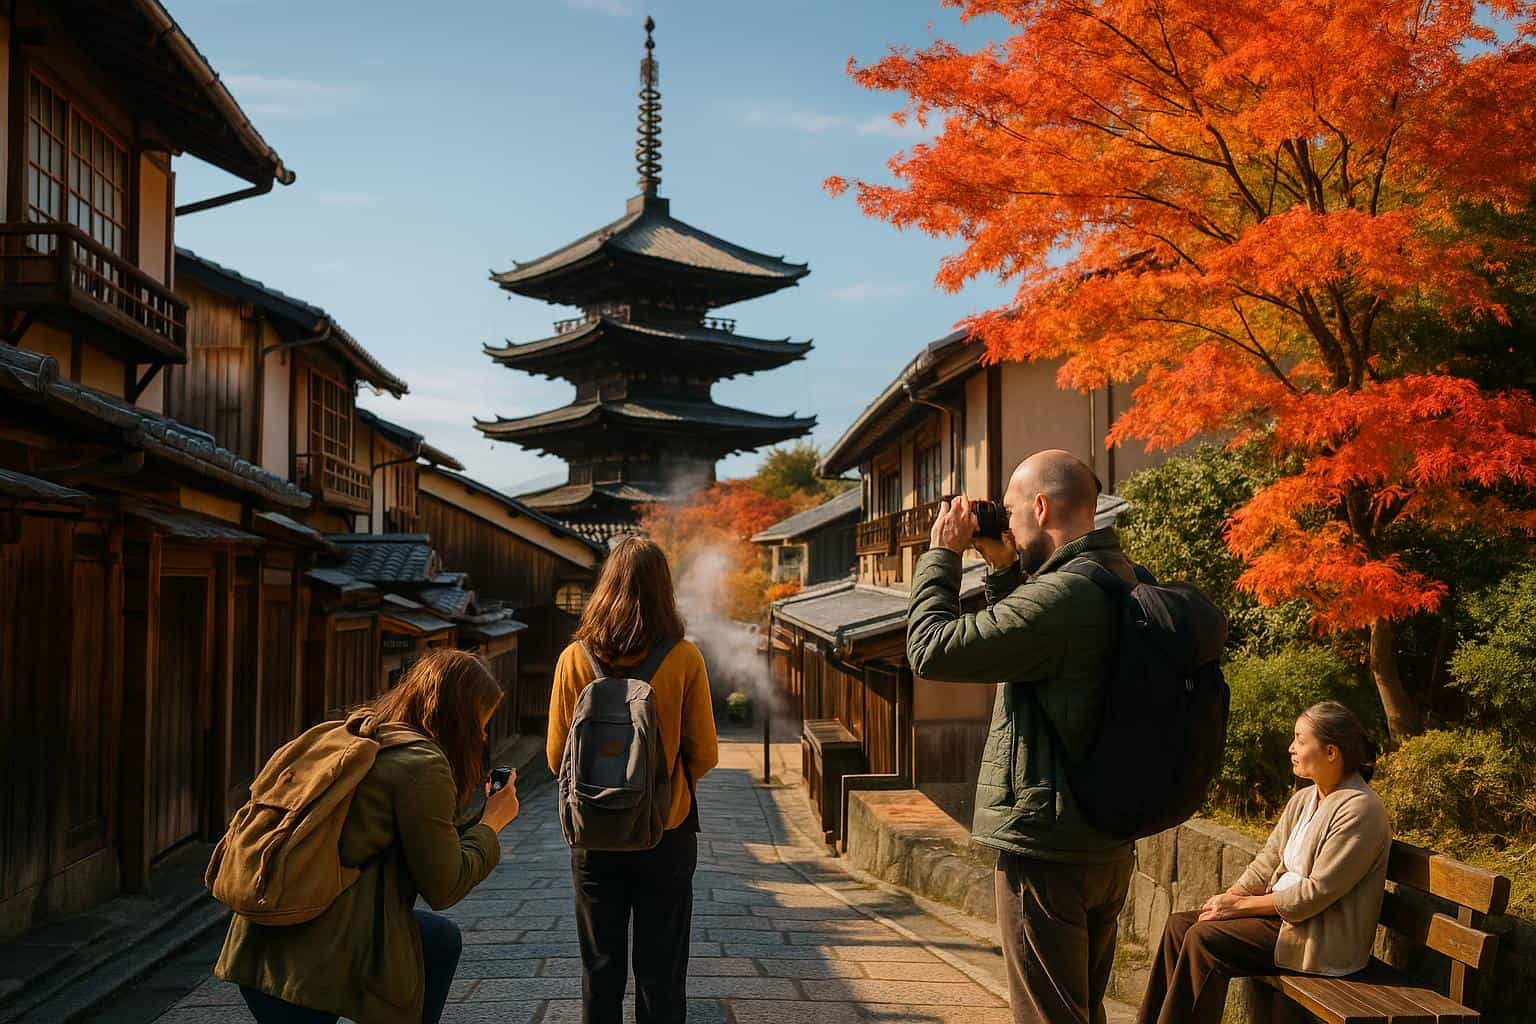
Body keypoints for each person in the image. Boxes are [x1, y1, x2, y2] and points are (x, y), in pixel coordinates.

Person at [906, 449, 1142, 1024]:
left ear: (1040, 505)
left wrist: (942, 553)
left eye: (1010, 510)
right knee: (1079, 1009)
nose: (1005, 520)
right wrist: (1004, 570)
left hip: (1048, 848)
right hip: (1101, 838)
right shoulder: (1114, 577)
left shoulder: (1063, 595)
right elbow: (1035, 651)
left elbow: (930, 649)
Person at [215, 649, 522, 1024]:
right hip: (314, 958)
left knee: (436, 941)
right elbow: (445, 885)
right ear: (458, 719)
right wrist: (493, 823)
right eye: (481, 723)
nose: (482, 735)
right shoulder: (422, 766)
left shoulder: (357, 735)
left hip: (260, 937)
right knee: (437, 942)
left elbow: (420, 839)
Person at [547, 536, 720, 1024]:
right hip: (665, 829)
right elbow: (704, 753)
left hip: (594, 832)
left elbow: (555, 755)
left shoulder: (574, 659)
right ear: (664, 590)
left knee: (599, 967)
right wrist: (662, 785)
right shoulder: (685, 658)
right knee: (661, 968)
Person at [1137, 701, 1390, 1024]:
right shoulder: (1305, 799)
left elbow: (1314, 895)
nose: (1291, 748)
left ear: (1331, 752)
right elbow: (1267, 861)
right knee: (1179, 926)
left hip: (1319, 939)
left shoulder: (1360, 810)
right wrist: (1231, 896)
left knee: (1204, 940)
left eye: (1300, 740)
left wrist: (1239, 908)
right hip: (1283, 920)